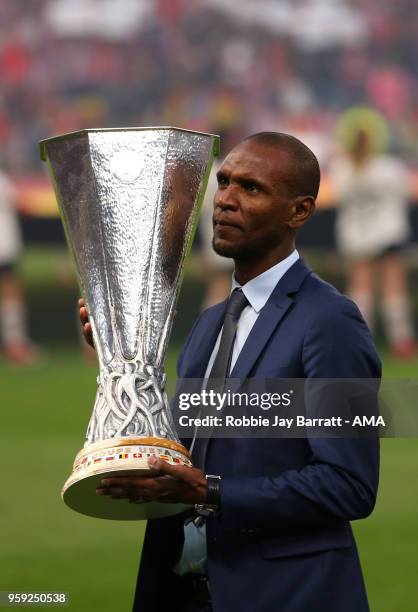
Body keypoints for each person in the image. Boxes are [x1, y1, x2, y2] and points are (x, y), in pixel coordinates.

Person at [80, 132, 381, 612]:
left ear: (298, 212)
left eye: (251, 188)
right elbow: (184, 449)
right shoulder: (208, 325)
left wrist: (211, 490)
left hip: (285, 595)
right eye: (223, 183)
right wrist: (121, 360)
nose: (225, 200)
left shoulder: (332, 322)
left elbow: (350, 485)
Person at [330, 108, 416, 359]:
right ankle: (402, 341)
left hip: (356, 236)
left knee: (360, 287)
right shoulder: (389, 166)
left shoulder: (341, 168)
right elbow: (407, 193)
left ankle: (358, 341)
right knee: (393, 286)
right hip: (390, 233)